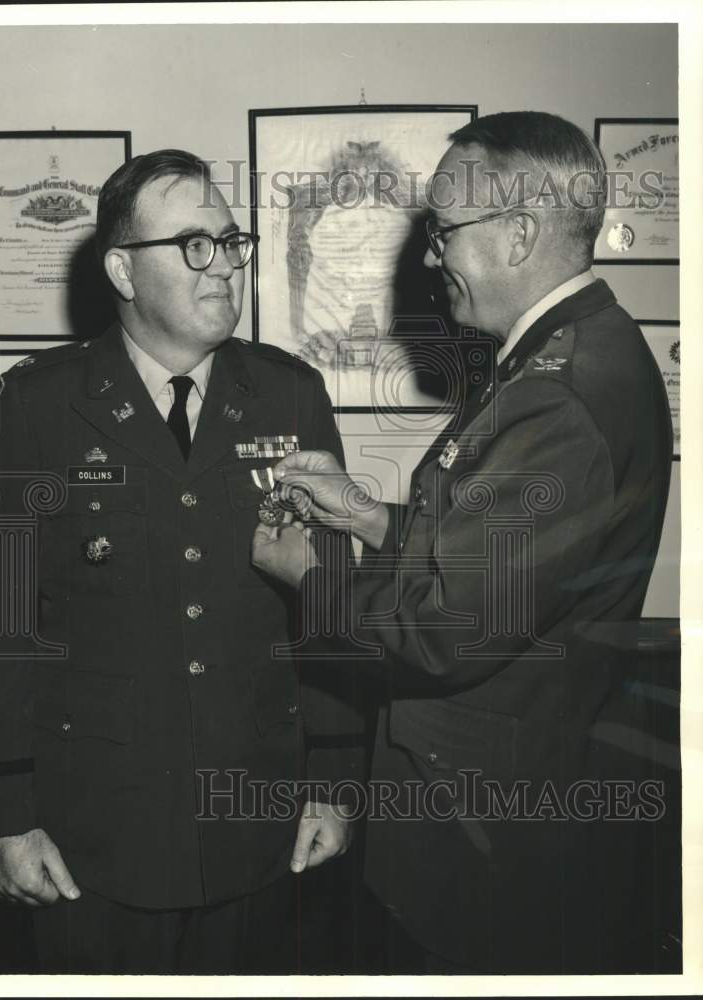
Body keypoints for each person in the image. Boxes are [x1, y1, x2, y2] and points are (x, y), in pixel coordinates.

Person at [252, 111, 674, 973]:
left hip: (484, 817)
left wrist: (308, 576)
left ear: (518, 233)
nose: (430, 256)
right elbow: (502, 564)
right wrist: (369, 517)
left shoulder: (555, 394)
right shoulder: (568, 353)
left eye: (443, 232)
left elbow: (450, 630)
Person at [0, 149, 364, 973]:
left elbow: (328, 599)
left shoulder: (290, 394)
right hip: (92, 832)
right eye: (193, 246)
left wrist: (335, 778)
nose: (224, 268)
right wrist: (2, 813)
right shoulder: (38, 403)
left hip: (259, 820)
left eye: (230, 241)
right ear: (122, 271)